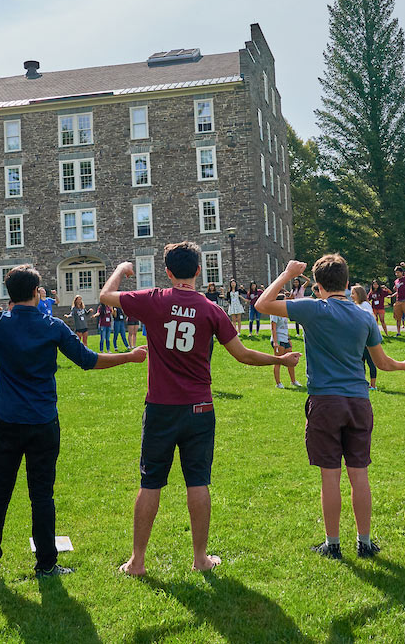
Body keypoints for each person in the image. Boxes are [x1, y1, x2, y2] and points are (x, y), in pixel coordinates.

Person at [100, 242, 300, 575]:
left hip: (161, 407)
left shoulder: (152, 299)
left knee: (150, 483)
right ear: (198, 271)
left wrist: (121, 270)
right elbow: (242, 354)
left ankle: (137, 561)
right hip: (199, 408)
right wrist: (277, 359)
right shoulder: (211, 309)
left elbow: (106, 297)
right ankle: (200, 559)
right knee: (197, 481)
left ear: (167, 272)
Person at [0, 270, 146, 580]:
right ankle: (45, 564)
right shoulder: (51, 326)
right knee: (41, 496)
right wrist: (129, 357)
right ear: (38, 292)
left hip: (6, 420)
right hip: (42, 422)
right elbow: (87, 359)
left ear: (8, 294)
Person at [258, 256, 405, 561]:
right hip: (359, 402)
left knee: (330, 477)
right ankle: (365, 543)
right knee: (360, 476)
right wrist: (404, 366)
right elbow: (382, 363)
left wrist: (288, 274)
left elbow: (263, 305)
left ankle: (333, 545)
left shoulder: (313, 308)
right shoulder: (364, 317)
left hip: (325, 402)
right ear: (347, 283)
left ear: (318, 287)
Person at [269, 294, 300, 389]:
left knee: (291, 361)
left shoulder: (284, 312)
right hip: (278, 339)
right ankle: (278, 383)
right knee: (278, 361)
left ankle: (293, 381)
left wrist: (289, 339)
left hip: (285, 338)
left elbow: (285, 327)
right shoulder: (274, 312)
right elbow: (273, 328)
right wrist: (275, 342)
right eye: (284, 300)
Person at [351, 286, 379, 390]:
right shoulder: (356, 305)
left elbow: (371, 319)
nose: (351, 295)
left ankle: (373, 385)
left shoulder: (364, 305)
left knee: (370, 361)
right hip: (359, 339)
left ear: (359, 294)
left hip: (367, 338)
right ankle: (362, 382)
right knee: (360, 361)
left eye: (353, 293)